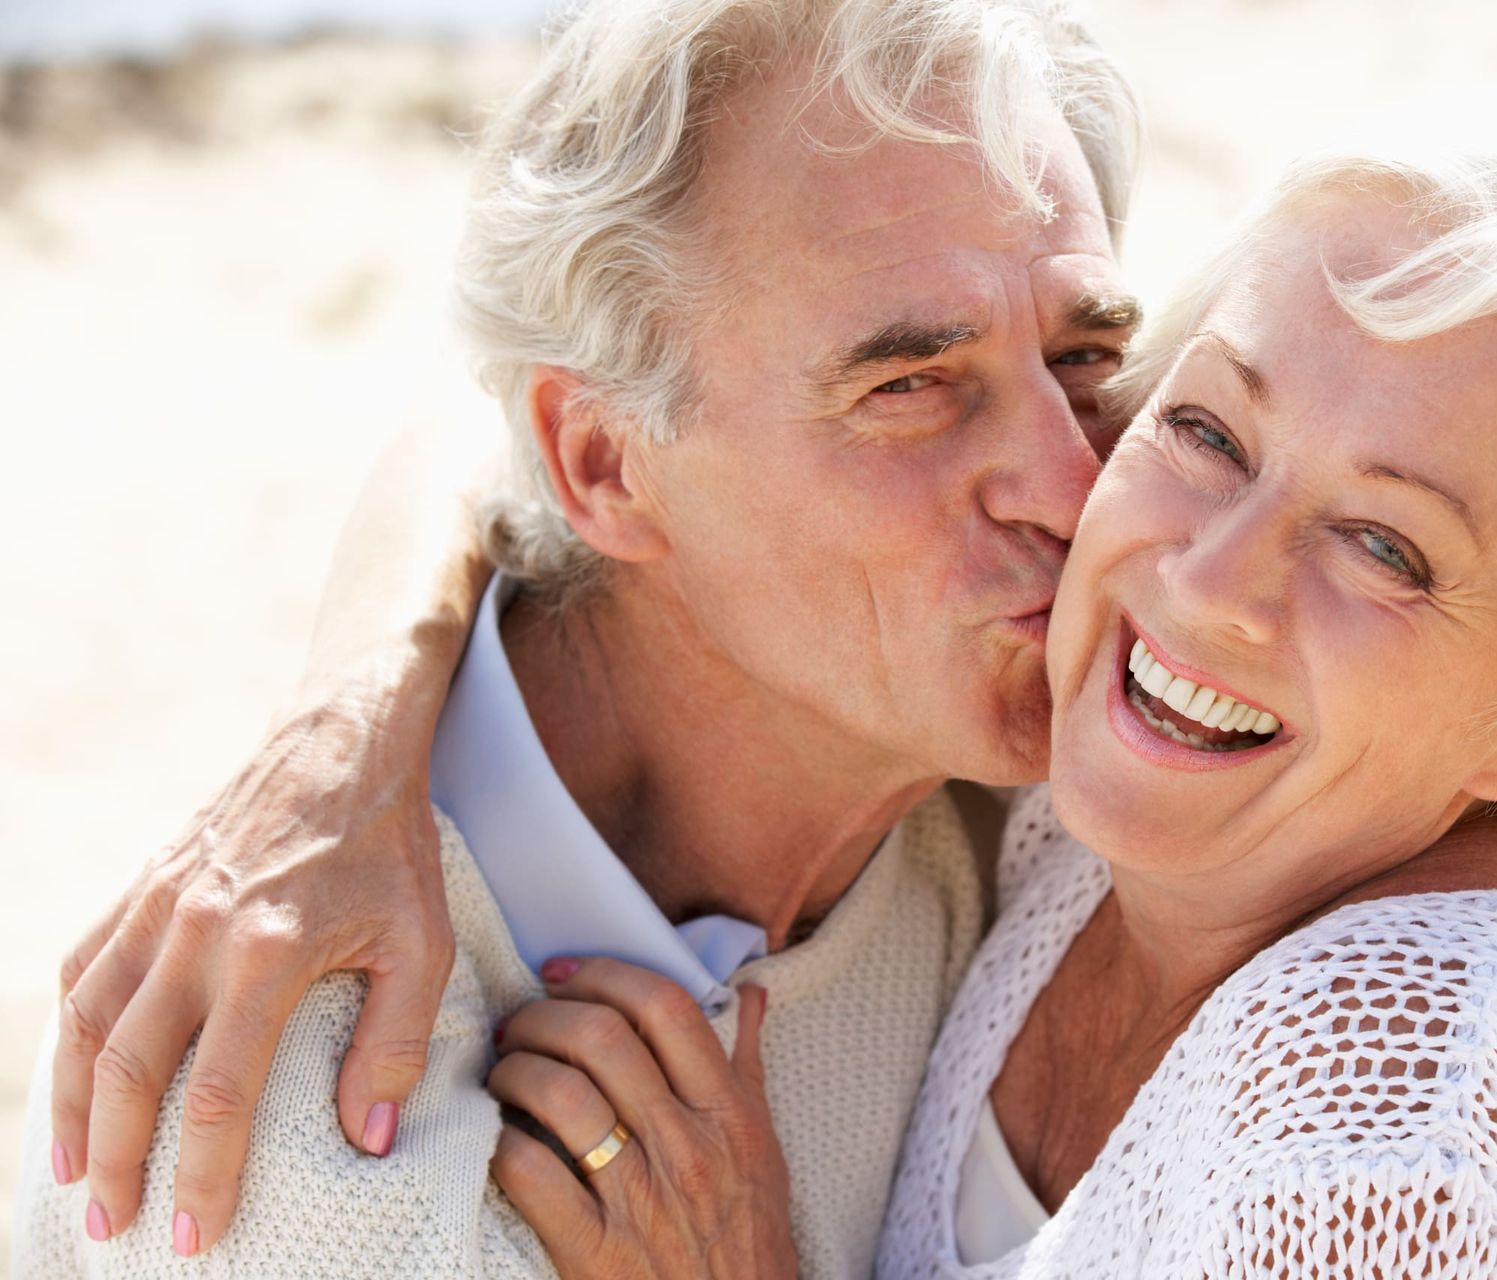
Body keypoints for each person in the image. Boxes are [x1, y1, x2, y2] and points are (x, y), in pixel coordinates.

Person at [485, 128, 1497, 1274]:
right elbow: (526, 439)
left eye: (1385, 548)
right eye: (1210, 433)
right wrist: (359, 734)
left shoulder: (1393, 1156)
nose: (1210, 577)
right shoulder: (1100, 792)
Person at [13, 0, 1146, 1274]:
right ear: (602, 461)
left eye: (1087, 356)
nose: (1072, 486)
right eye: (909, 387)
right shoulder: (305, 1123)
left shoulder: (1085, 807)